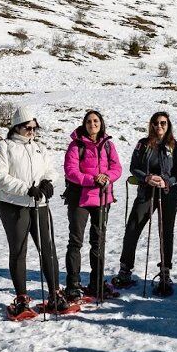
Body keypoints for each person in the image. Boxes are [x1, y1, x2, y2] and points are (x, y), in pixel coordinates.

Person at [0, 104, 73, 319]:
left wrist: (48, 183)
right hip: (13, 205)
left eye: (34, 127)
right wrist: (26, 189)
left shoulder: (39, 148)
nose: (32, 131)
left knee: (48, 248)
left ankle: (55, 292)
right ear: (16, 126)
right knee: (19, 251)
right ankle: (22, 297)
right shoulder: (3, 147)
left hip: (39, 204)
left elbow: (51, 170)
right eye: (28, 127)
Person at [111, 112, 177, 296]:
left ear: (168, 125)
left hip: (169, 193)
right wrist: (147, 177)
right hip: (146, 191)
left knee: (165, 231)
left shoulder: (175, 147)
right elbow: (133, 167)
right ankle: (125, 270)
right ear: (151, 125)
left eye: (163, 123)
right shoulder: (143, 144)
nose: (159, 126)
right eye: (156, 123)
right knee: (133, 227)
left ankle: (165, 272)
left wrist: (167, 181)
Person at [63, 109, 124, 301]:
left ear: (101, 123)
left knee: (98, 242)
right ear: (84, 124)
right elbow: (70, 171)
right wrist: (92, 180)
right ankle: (73, 284)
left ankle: (96, 283)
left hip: (102, 198)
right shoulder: (76, 145)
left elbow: (117, 168)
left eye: (96, 121)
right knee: (76, 242)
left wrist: (106, 177)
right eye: (89, 121)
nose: (92, 124)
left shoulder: (108, 145)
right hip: (80, 199)